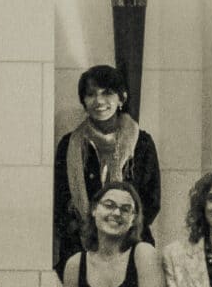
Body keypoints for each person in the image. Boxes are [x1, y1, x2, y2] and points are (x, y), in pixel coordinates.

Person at [55, 63, 163, 269]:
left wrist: (118, 230)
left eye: (107, 93)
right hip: (80, 248)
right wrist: (89, 233)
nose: (99, 101)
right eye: (91, 94)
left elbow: (151, 200)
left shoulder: (142, 143)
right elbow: (60, 203)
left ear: (122, 98)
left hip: (132, 247)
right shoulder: (69, 144)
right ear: (83, 101)